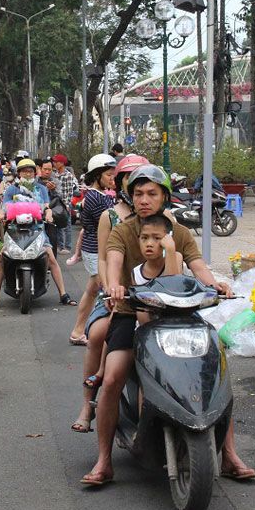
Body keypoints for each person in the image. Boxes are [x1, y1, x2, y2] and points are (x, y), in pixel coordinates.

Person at [82, 164, 254, 486]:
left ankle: (229, 454)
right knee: (114, 376)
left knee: (217, 370)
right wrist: (114, 287)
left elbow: (197, 266)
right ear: (129, 197)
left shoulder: (180, 233)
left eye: (151, 193)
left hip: (178, 315)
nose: (144, 199)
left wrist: (216, 284)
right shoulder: (123, 230)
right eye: (137, 193)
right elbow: (114, 260)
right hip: (129, 313)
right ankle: (104, 460)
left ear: (164, 196)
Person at [72, 154, 148, 434]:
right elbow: (104, 258)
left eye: (147, 185)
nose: (141, 192)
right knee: (97, 335)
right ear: (121, 184)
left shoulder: (162, 217)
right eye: (132, 181)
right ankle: (88, 402)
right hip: (118, 295)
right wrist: (110, 289)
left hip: (155, 298)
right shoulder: (110, 216)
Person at [0, 158, 77, 307]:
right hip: (14, 231)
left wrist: (49, 213)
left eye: (30, 171)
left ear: (35, 172)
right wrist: (1, 215)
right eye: (24, 171)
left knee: (51, 259)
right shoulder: (11, 190)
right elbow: (5, 207)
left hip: (37, 230)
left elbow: (46, 206)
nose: (28, 174)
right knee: (1, 258)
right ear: (19, 173)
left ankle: (63, 294)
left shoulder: (41, 189)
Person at [68, 154, 116, 348]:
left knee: (91, 291)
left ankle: (78, 331)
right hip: (95, 251)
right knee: (106, 293)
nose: (113, 179)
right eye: (109, 175)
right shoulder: (95, 198)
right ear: (97, 176)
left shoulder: (101, 195)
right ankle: (99, 334)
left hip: (95, 250)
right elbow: (112, 225)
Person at [52, 154, 78, 254]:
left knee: (67, 225)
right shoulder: (54, 174)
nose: (54, 164)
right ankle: (60, 246)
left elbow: (69, 192)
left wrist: (67, 204)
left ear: (62, 163)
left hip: (65, 203)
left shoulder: (68, 175)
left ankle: (67, 247)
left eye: (56, 162)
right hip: (56, 203)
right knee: (58, 225)